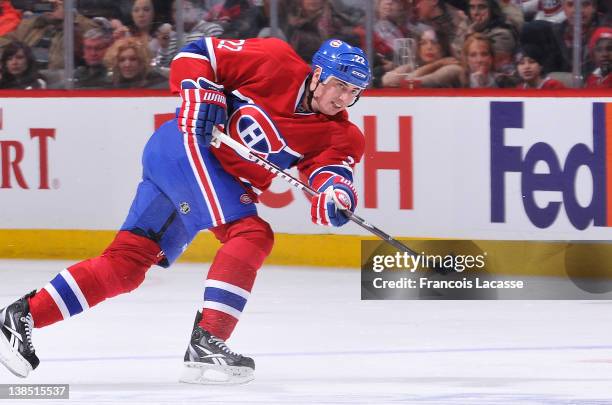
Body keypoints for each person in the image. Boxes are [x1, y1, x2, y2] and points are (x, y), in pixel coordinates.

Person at [0, 37, 371, 385]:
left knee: (126, 267)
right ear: (318, 74)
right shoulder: (273, 58)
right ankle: (208, 341)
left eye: (353, 92)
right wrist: (198, 86)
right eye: (339, 85)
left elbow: (331, 174)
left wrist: (335, 196)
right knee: (251, 234)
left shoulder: (342, 135)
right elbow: (196, 52)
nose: (344, 98)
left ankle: (21, 315)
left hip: (204, 176)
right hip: (187, 147)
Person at [73, 18, 114, 88]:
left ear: (108, 49)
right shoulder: (79, 73)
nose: (93, 53)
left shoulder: (113, 76)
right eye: (88, 48)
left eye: (98, 48)